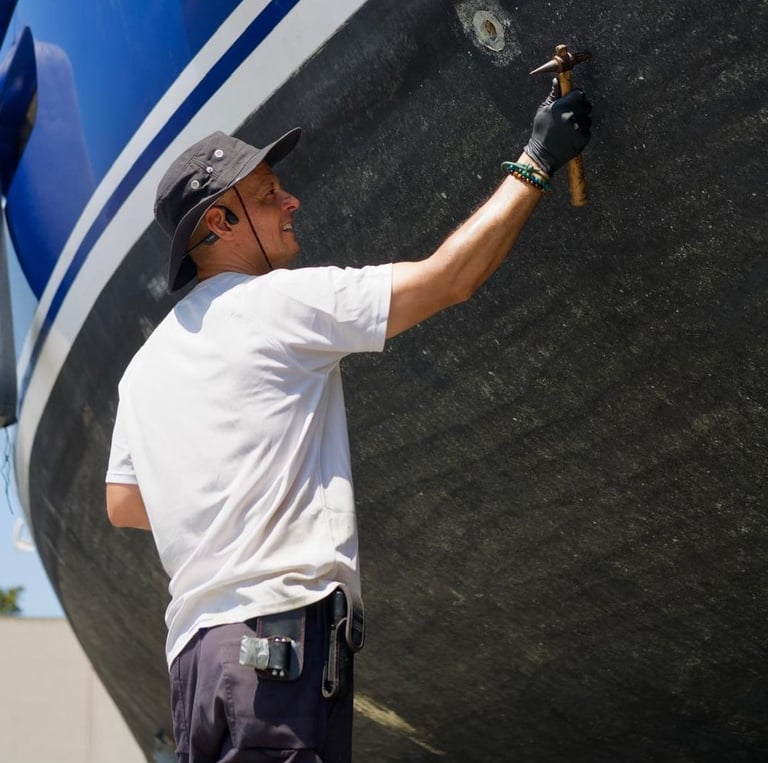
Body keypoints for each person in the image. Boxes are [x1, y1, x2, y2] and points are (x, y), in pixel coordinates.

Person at [105, 78, 591, 763]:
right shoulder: (277, 305)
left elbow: (124, 504)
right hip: (277, 650)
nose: (291, 202)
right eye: (269, 194)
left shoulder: (144, 368)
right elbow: (448, 279)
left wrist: (224, 492)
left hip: (198, 665)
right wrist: (537, 160)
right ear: (221, 222)